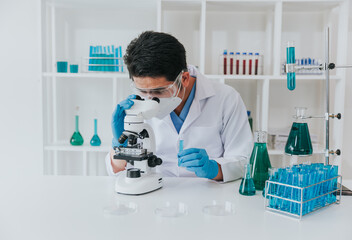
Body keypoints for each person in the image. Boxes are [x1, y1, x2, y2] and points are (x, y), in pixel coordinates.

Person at [105, 31, 253, 182]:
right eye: (142, 91)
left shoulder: (226, 98)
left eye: (159, 91)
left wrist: (214, 168)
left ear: (184, 78)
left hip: (208, 194)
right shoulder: (134, 105)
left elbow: (243, 161)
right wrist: (119, 145)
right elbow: (115, 171)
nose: (149, 98)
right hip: (156, 191)